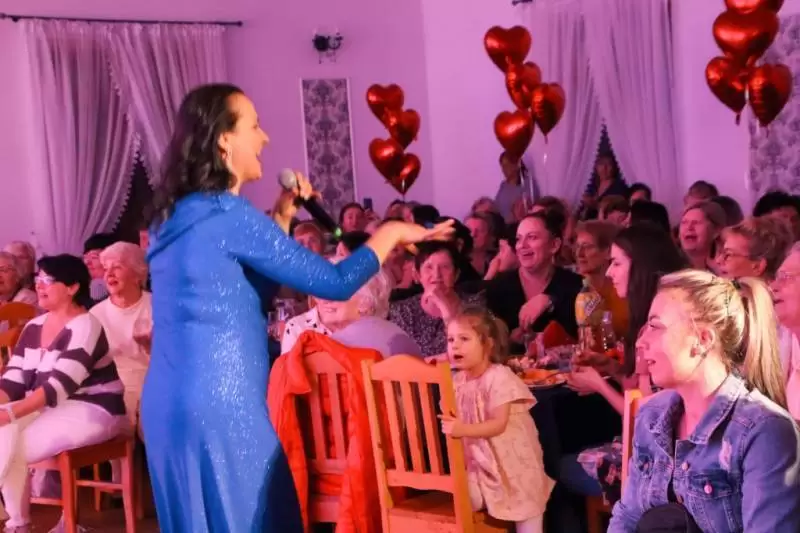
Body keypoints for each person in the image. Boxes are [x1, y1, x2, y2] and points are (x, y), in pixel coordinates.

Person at [140, 83, 453, 533]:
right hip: (220, 405)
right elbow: (336, 283)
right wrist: (388, 234)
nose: (264, 137)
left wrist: (283, 218)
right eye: (254, 126)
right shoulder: (231, 214)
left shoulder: (171, 217)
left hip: (167, 403)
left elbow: (246, 293)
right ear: (224, 140)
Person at [608, 271, 800, 532]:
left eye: (655, 326)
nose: (641, 342)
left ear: (703, 340)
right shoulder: (652, 414)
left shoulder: (764, 432)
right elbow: (628, 517)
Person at [0, 255, 127, 533]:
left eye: (48, 280)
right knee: (5, 435)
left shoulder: (86, 325)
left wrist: (9, 414)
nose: (39, 285)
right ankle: (18, 523)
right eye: (38, 279)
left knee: (12, 444)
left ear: (72, 287)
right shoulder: (33, 327)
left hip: (95, 408)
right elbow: (12, 382)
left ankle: (17, 524)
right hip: (50, 408)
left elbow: (58, 387)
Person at [440, 306, 553, 532]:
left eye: (464, 339)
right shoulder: (457, 382)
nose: (455, 346)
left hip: (514, 466)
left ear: (488, 344)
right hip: (481, 466)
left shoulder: (499, 377)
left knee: (528, 515)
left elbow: (498, 424)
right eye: (451, 339)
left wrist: (462, 429)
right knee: (463, 497)